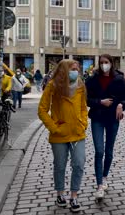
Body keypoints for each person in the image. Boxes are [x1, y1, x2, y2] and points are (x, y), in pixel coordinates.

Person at [37, 59, 88, 212]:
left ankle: (74, 196)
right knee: (60, 166)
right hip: (59, 134)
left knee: (78, 164)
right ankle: (60, 194)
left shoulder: (80, 85)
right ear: (64, 70)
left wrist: (83, 123)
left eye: (77, 69)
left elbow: (83, 108)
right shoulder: (53, 86)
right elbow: (42, 110)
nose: (76, 72)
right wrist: (53, 128)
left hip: (77, 132)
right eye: (73, 69)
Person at [85, 54, 125, 201]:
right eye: (102, 62)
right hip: (97, 118)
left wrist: (120, 105)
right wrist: (100, 102)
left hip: (112, 119)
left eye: (106, 62)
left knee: (109, 151)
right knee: (99, 151)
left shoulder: (119, 79)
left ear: (111, 63)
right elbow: (86, 99)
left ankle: (104, 177)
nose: (104, 64)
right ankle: (99, 185)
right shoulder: (92, 79)